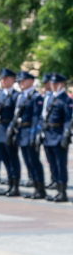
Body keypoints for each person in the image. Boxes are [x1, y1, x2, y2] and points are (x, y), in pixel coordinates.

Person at [14, 71, 46, 199]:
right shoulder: (21, 96)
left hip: (30, 131)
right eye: (20, 81)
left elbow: (36, 117)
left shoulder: (35, 96)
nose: (21, 83)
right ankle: (35, 187)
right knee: (27, 161)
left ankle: (41, 189)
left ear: (31, 81)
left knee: (34, 162)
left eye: (23, 81)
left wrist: (34, 134)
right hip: (22, 132)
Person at [43, 74, 72, 202]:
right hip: (48, 134)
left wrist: (66, 135)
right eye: (52, 83)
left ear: (62, 84)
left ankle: (62, 192)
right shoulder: (49, 98)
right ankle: (56, 188)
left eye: (56, 83)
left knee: (61, 165)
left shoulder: (66, 100)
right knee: (52, 164)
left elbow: (68, 120)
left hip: (59, 134)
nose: (53, 85)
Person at [0, 67, 20, 197]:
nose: (3, 81)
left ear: (12, 80)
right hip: (0, 129)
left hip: (10, 129)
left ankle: (15, 186)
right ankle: (10, 185)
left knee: (12, 159)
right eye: (2, 79)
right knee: (5, 158)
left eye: (6, 78)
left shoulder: (16, 95)